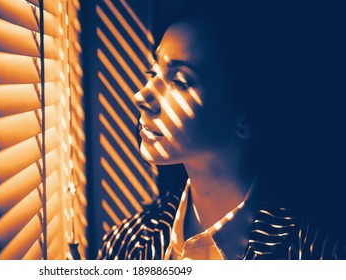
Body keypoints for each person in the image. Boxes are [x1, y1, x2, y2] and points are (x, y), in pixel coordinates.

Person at [97, 0, 346, 260]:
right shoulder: (122, 247)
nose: (141, 96)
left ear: (247, 115)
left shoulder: (317, 254)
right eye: (153, 71)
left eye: (180, 81)